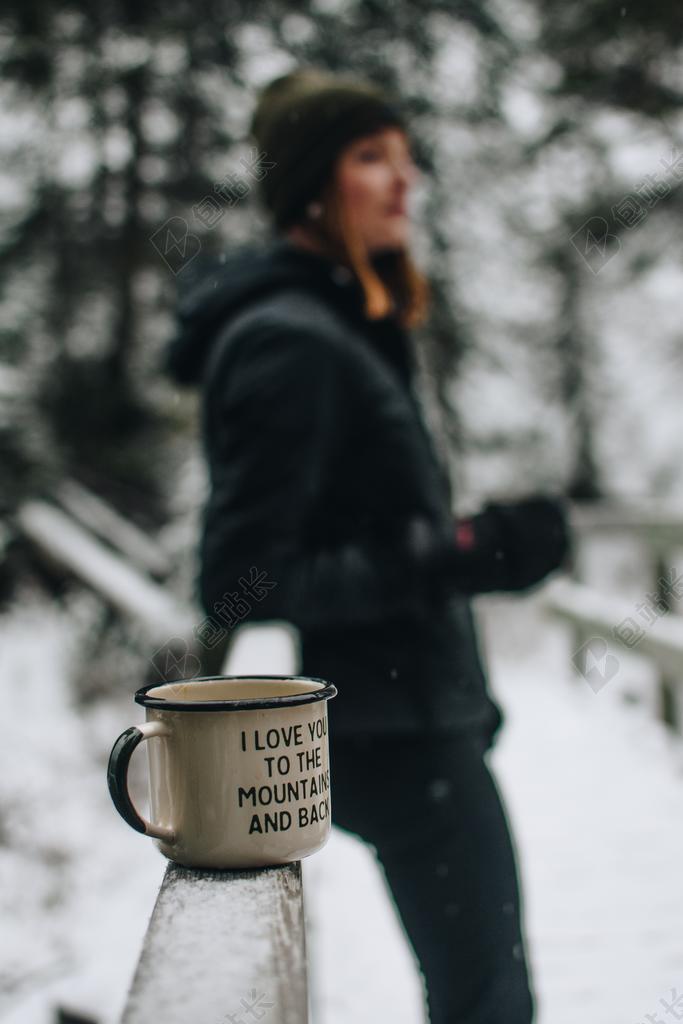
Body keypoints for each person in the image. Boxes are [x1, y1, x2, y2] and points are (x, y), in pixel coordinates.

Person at [164, 66, 571, 1024]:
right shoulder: (292, 341)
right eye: (369, 157)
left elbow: (350, 532)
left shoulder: (343, 322)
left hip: (413, 719)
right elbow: (240, 585)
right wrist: (471, 552)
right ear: (311, 184)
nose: (405, 180)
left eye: (405, 156)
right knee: (489, 1002)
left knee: (483, 994)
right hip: (390, 736)